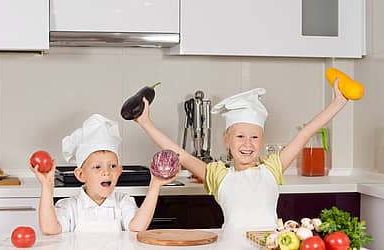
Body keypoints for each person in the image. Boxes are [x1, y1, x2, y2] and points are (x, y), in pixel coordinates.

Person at [135, 79, 347, 231]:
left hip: (269, 245)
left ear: (262, 140)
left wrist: (338, 103)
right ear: (227, 139)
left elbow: (305, 133)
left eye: (254, 137)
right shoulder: (218, 175)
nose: (247, 144)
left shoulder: (273, 168)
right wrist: (146, 123)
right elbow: (181, 155)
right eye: (240, 137)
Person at [31, 114, 178, 235]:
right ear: (81, 175)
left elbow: (137, 227)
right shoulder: (71, 206)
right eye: (97, 167)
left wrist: (155, 185)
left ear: (119, 172)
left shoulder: (123, 202)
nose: (106, 172)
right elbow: (50, 229)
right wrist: (46, 186)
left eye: (112, 166)